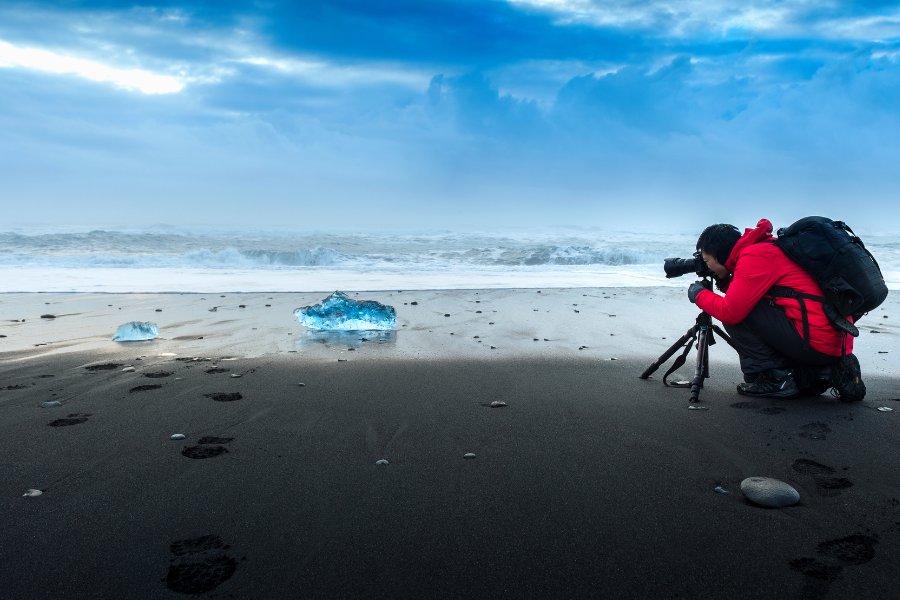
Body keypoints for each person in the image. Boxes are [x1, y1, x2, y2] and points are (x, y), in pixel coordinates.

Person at [687, 219, 865, 401]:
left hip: (815, 341)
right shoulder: (767, 248)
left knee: (736, 314)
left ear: (723, 255)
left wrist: (698, 294)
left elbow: (731, 312)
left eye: (707, 260)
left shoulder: (753, 256)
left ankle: (777, 381)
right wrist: (726, 283)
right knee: (745, 307)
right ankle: (828, 373)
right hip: (833, 340)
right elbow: (765, 291)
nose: (707, 267)